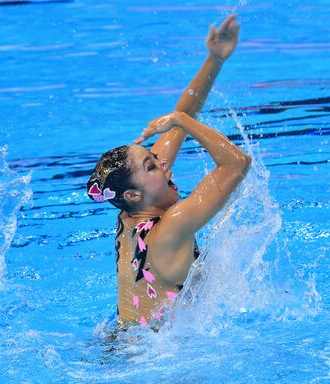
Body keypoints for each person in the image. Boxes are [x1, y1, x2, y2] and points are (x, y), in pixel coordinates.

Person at [86, 15, 251, 327]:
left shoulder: (131, 209)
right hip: (153, 360)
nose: (163, 163)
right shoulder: (171, 225)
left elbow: (183, 113)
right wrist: (184, 122)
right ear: (134, 193)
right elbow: (237, 164)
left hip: (122, 342)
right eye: (152, 164)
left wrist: (215, 59)